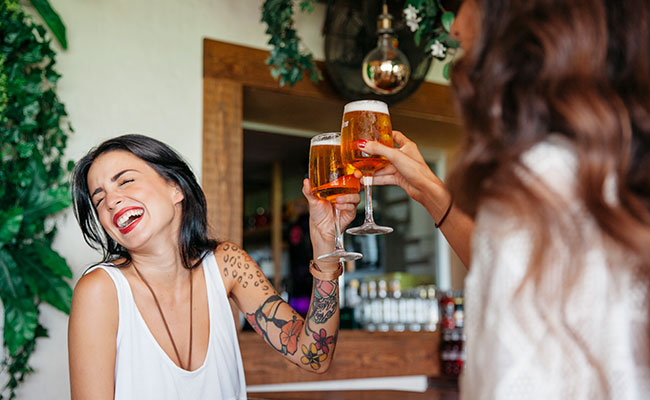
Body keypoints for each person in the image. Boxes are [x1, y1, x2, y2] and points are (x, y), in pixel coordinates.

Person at [359, 0, 650, 398]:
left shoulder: (538, 182)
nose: (455, 27)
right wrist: (429, 190)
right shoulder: (617, 164)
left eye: (464, 4)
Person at [68, 134, 360, 399]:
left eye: (125, 181)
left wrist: (325, 247)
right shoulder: (101, 290)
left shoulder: (226, 264)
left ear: (175, 188)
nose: (111, 201)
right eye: (99, 198)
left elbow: (314, 356)